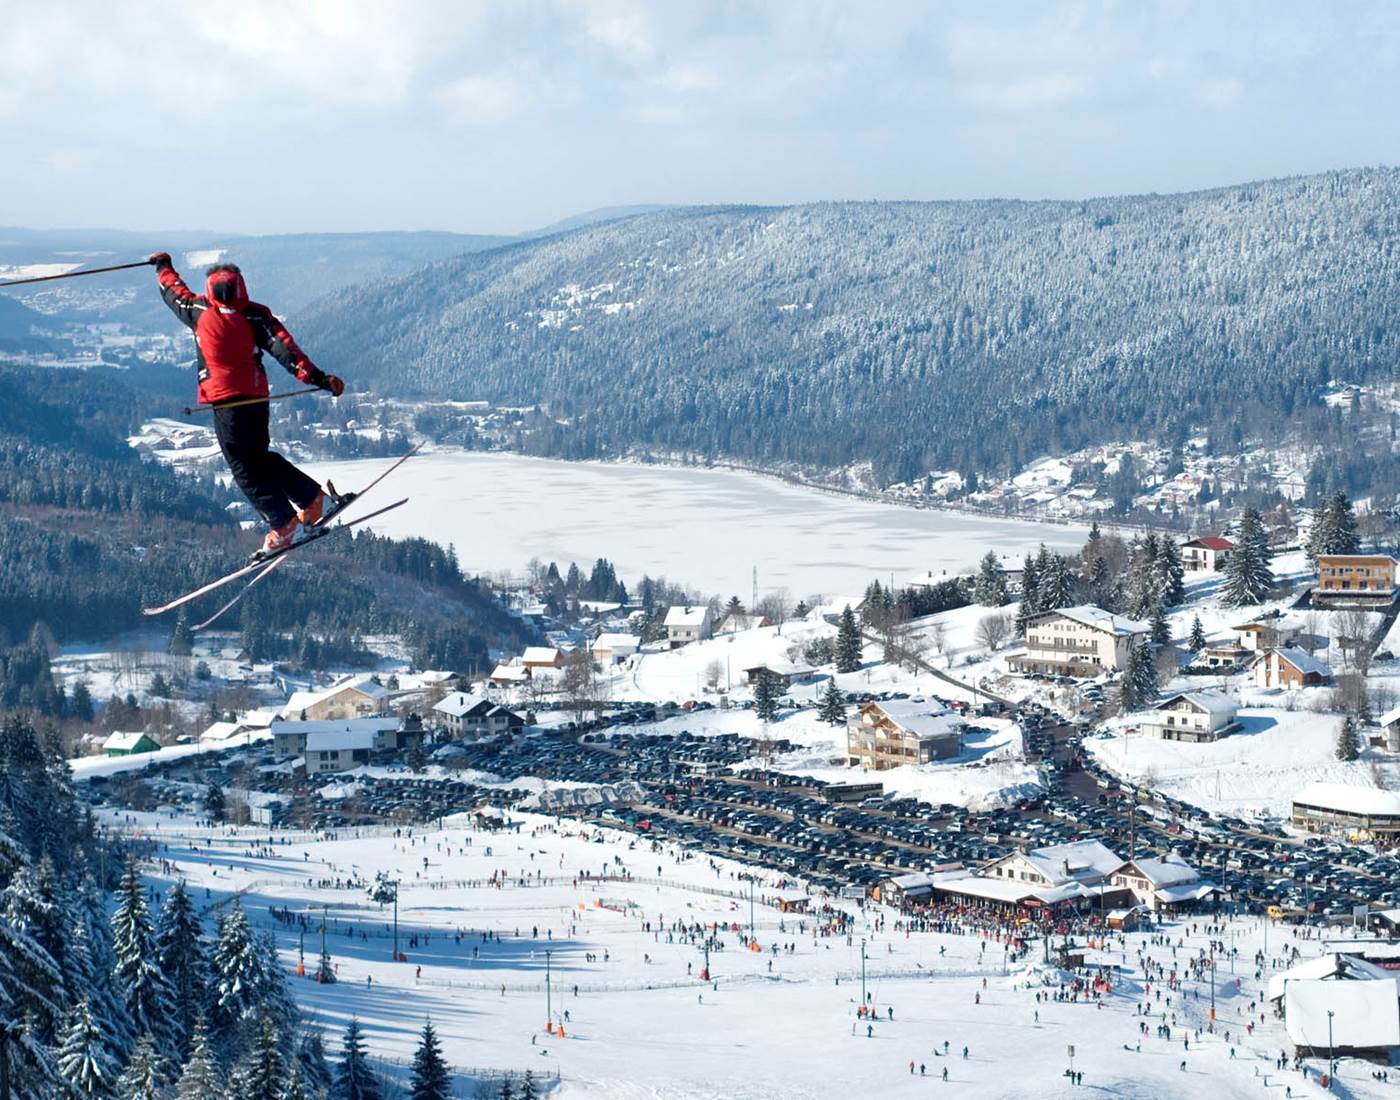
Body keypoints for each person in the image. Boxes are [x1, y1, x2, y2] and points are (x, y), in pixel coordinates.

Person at [147, 252, 345, 553]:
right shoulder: (256, 315)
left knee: (243, 467)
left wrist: (163, 265)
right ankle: (312, 499)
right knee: (260, 457)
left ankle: (284, 524)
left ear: (210, 288)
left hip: (226, 403)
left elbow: (173, 292)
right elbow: (288, 353)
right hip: (256, 398)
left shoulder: (198, 309)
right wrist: (320, 378)